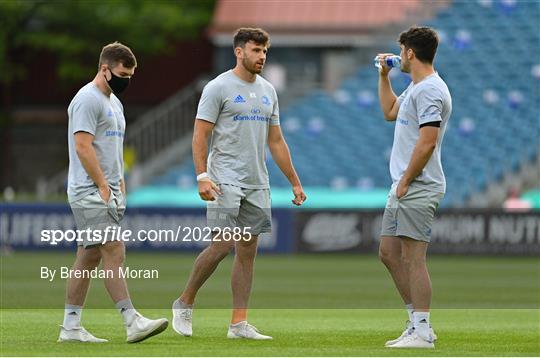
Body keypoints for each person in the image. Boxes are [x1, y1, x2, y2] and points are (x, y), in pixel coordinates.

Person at [172, 27, 306, 340]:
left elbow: (276, 141)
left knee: (247, 251)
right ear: (238, 51)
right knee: (222, 245)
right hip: (223, 178)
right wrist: (201, 175)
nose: (261, 57)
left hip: (257, 182)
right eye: (255, 51)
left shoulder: (268, 91)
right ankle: (184, 302)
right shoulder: (218, 87)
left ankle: (238, 324)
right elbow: (200, 134)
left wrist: (295, 182)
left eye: (264, 52)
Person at [59, 42, 168, 343]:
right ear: (104, 68)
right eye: (122, 74)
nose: (126, 81)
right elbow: (83, 146)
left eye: (130, 76)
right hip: (89, 190)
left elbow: (112, 148)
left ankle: (70, 326)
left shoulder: (114, 102)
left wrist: (119, 184)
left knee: (88, 257)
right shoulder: (87, 99)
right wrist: (104, 185)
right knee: (114, 250)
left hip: (108, 190)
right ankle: (131, 321)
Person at [376, 26, 452, 349]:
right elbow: (389, 112)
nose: (399, 56)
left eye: (401, 50)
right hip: (403, 184)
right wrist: (384, 77)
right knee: (388, 253)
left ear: (409, 52)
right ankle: (415, 322)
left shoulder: (431, 90)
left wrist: (406, 180)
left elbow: (427, 142)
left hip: (418, 184)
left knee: (414, 258)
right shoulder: (415, 87)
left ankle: (423, 331)